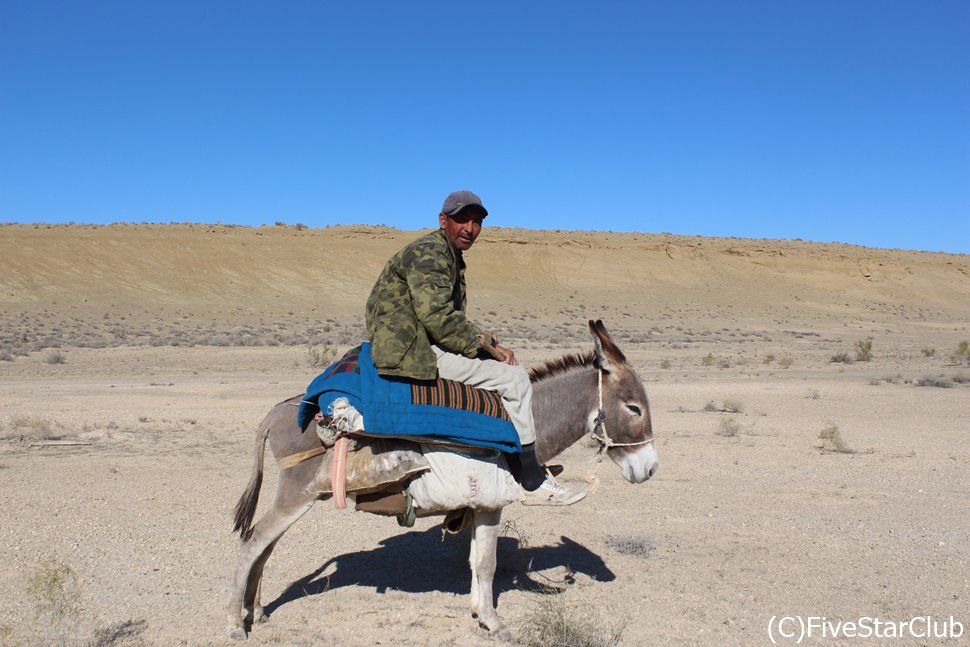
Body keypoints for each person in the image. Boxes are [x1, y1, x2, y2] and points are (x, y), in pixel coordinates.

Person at [365, 190, 585, 506]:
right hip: (413, 351)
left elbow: (441, 316)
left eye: (477, 221)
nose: (470, 228)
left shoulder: (446, 254)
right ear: (443, 221)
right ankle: (531, 480)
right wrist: (487, 346)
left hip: (416, 340)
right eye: (461, 219)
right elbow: (437, 317)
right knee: (515, 379)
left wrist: (483, 341)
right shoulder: (431, 254)